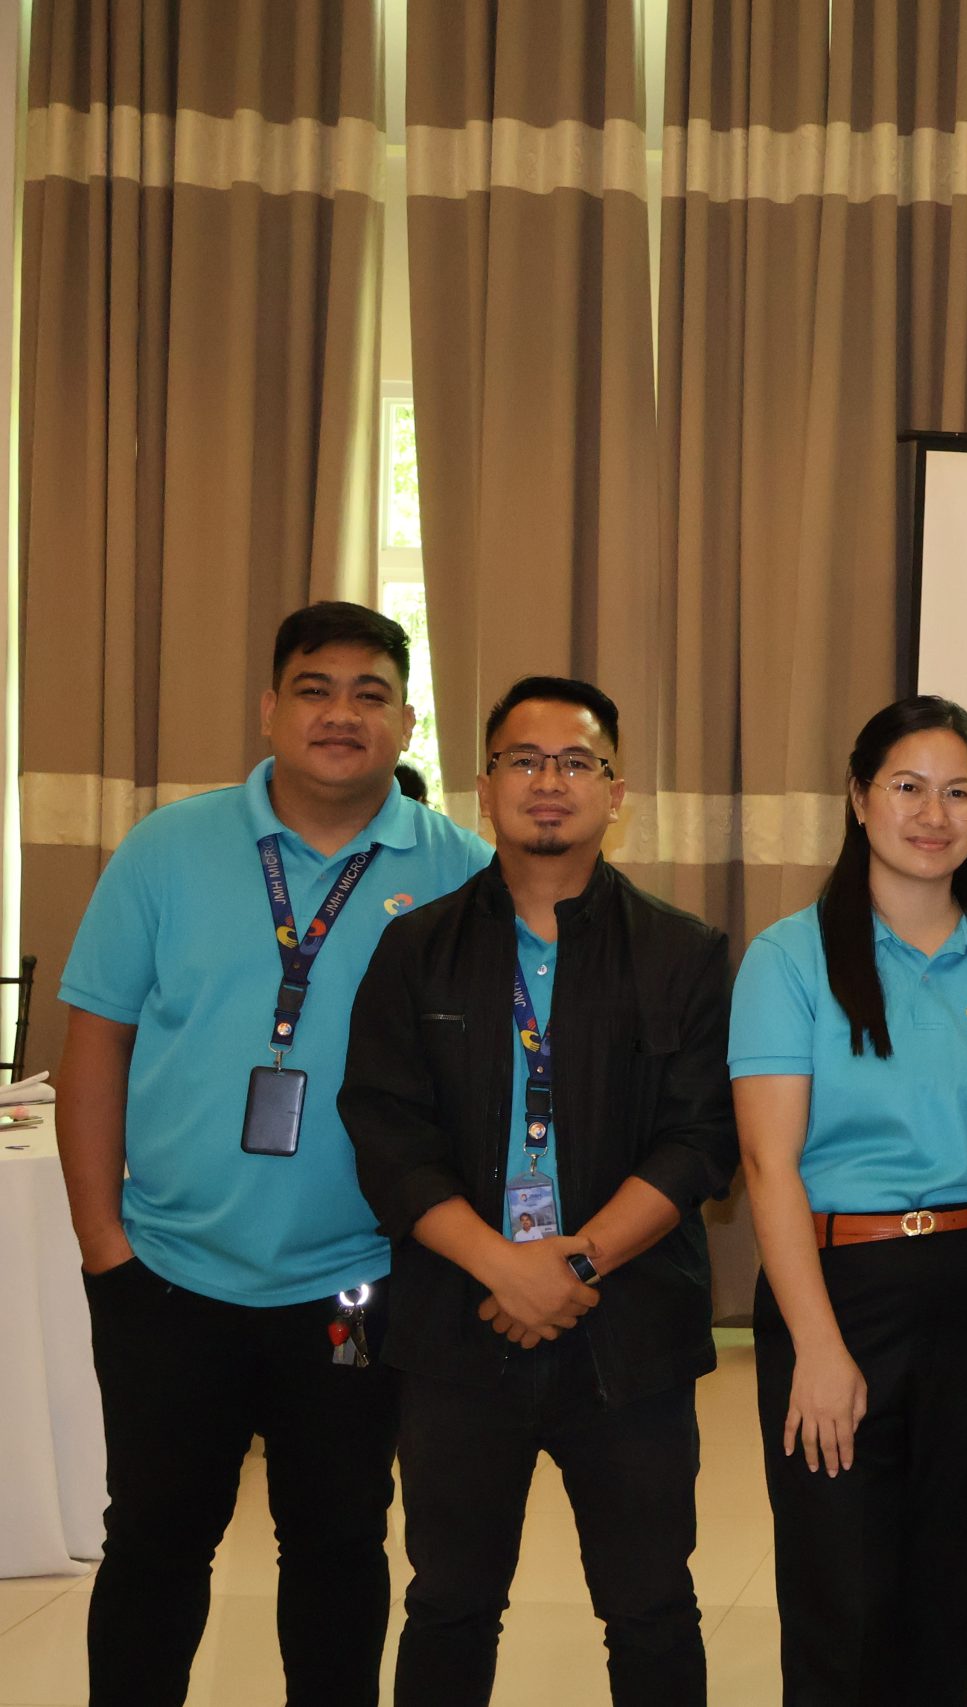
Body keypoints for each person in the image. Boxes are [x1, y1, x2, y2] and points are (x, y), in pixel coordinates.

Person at [54, 600, 487, 1705]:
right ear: (268, 708)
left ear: (405, 722)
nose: (342, 714)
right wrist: (105, 1246)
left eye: (371, 694)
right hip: (168, 1274)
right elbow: (96, 1043)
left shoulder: (460, 873)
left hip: (357, 1285)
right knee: (155, 1541)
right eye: (314, 689)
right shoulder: (168, 849)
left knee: (338, 1543)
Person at [340, 676, 739, 1707]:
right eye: (523, 760)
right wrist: (502, 1267)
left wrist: (572, 1263)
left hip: (630, 1329)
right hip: (459, 1323)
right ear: (484, 788)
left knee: (652, 1607)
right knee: (449, 1603)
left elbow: (701, 1138)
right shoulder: (415, 949)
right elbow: (385, 1129)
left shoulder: (685, 953)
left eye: (576, 762)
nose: (548, 782)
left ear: (616, 792)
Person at [730, 696, 967, 1705]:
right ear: (859, 799)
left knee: (949, 1601)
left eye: (960, 792)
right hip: (839, 1288)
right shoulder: (789, 958)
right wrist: (818, 1347)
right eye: (908, 786)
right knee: (843, 1604)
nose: (934, 813)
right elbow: (768, 1165)